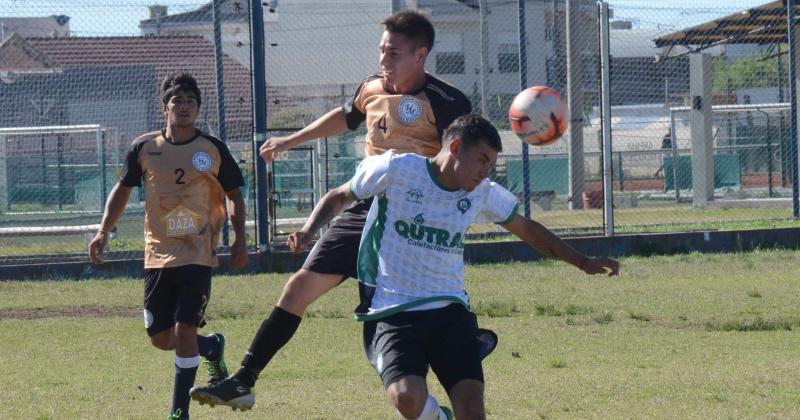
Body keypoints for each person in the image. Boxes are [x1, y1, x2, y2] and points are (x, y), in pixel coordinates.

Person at [190, 10, 472, 410]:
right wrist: (289, 140)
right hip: (364, 209)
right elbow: (345, 117)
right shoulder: (372, 88)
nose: (384, 60)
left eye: (393, 52)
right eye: (381, 51)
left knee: (402, 311)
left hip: (413, 222)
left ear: (420, 55)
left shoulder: (447, 102)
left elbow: (462, 160)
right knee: (298, 287)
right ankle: (244, 380)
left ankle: (457, 349)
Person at [285, 114, 620, 419]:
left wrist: (582, 261)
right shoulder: (398, 170)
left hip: (450, 313)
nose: (485, 172)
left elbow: (529, 230)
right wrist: (308, 230)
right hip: (392, 313)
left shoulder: (482, 193)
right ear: (456, 147)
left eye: (491, 165)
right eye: (482, 161)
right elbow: (339, 196)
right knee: (407, 399)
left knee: (473, 407)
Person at [88, 72, 248, 420]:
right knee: (161, 337)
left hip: (198, 253)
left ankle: (178, 412)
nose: (185, 106)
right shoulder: (144, 148)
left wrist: (239, 238)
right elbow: (123, 191)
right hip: (157, 255)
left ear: (198, 108)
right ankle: (211, 347)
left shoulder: (212, 149)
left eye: (191, 101)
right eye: (178, 100)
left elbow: (235, 194)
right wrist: (103, 231)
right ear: (165, 107)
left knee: (184, 328)